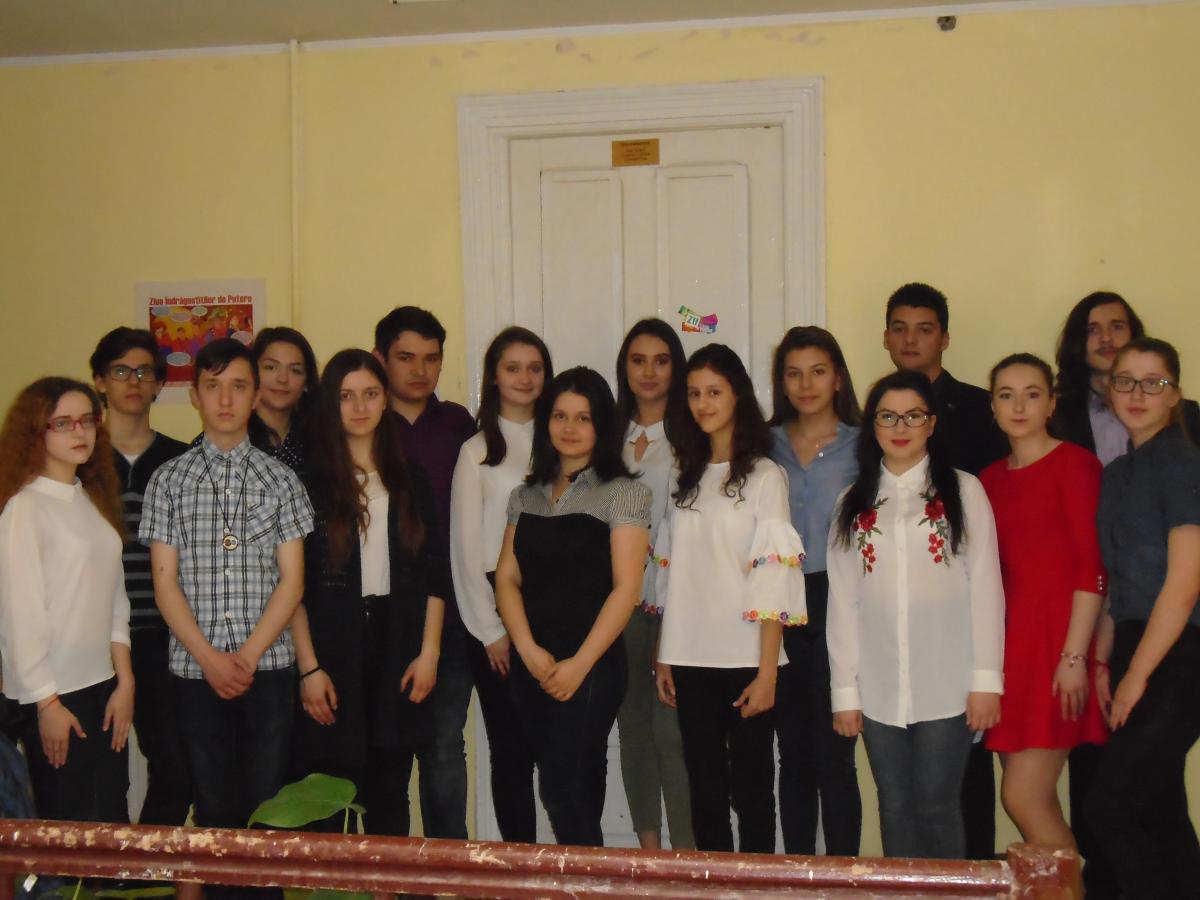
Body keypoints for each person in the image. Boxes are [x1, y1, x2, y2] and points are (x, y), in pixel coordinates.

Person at [141, 339, 313, 890]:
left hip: (269, 669)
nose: (225, 399)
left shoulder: (280, 480)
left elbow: (292, 581)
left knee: (266, 807)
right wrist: (211, 658)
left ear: (255, 395)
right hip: (195, 672)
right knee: (213, 806)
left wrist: (247, 656)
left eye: (238, 387)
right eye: (212, 387)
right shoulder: (168, 480)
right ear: (194, 395)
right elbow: (165, 584)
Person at [827, 370, 1004, 860]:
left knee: (937, 806)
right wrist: (844, 691)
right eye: (888, 416)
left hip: (948, 684)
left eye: (913, 416)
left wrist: (987, 680)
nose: (900, 427)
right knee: (895, 806)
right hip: (879, 686)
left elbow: (986, 589)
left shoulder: (964, 492)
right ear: (873, 425)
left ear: (932, 424)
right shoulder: (852, 502)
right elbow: (843, 602)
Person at [655, 344, 807, 854]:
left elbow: (773, 577)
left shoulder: (765, 476)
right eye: (694, 393)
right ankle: (713, 884)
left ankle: (758, 884)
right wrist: (665, 655)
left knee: (753, 790)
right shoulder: (684, 473)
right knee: (705, 789)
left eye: (714, 392)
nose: (703, 403)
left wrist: (767, 673)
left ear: (738, 395)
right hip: (689, 656)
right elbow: (672, 572)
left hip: (746, 658)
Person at [292, 350, 447, 836]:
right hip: (331, 648)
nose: (359, 407)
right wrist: (308, 668)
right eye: (346, 396)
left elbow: (434, 573)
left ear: (385, 401)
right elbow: (292, 586)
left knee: (389, 793)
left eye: (370, 394)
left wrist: (429, 654)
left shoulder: (410, 478)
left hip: (397, 644)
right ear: (330, 404)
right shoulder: (308, 481)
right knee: (329, 794)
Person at [495, 366, 651, 846]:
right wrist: (527, 650)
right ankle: (590, 875)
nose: (569, 428)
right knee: (577, 786)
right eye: (560, 416)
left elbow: (626, 589)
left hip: (592, 665)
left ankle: (586, 878)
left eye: (584, 418)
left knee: (562, 789)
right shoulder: (525, 495)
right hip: (535, 662)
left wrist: (579, 665)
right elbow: (507, 577)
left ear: (603, 426)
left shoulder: (624, 493)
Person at [882, 282, 1007, 858]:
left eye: (924, 328)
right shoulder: (876, 416)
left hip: (967, 608)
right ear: (886, 338)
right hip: (895, 626)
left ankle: (971, 880)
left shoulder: (980, 410)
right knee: (901, 798)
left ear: (945, 338)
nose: (911, 340)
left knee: (962, 783)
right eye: (900, 328)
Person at [1085, 338, 1200, 900]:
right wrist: (1104, 659)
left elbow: (1184, 582)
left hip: (1182, 651)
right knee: (1159, 808)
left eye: (1153, 383)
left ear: (1174, 394)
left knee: (1111, 807)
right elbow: (1119, 579)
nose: (1137, 394)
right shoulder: (1117, 473)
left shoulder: (1184, 462)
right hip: (1135, 643)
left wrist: (1137, 676)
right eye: (1125, 381)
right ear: (1109, 390)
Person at [979, 353, 1107, 849]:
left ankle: (1070, 885)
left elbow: (1092, 569)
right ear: (992, 407)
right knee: (1038, 800)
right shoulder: (989, 479)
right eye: (1006, 395)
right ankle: (1066, 884)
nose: (1019, 407)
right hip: (1009, 649)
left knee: (1023, 797)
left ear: (1051, 404)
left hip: (1057, 645)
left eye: (1031, 394)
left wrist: (1075, 657)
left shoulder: (1075, 465)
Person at [0, 378, 133, 823]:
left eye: (87, 421)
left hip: (104, 689)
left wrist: (125, 682)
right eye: (63, 423)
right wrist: (47, 704)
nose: (80, 432)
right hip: (55, 696)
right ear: (35, 431)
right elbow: (19, 616)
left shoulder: (91, 500)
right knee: (67, 830)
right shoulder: (24, 507)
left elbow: (116, 601)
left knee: (109, 823)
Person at [373, 306, 475, 839]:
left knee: (443, 746)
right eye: (406, 358)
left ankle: (449, 868)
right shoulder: (362, 422)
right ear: (380, 359)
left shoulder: (459, 425)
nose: (420, 370)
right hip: (380, 619)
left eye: (431, 358)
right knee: (383, 755)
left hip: (451, 614)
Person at [449, 326, 552, 843]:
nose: (525, 378)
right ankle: (519, 867)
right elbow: (465, 550)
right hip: (492, 607)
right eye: (513, 368)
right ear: (493, 376)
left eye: (534, 368)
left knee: (557, 749)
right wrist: (491, 630)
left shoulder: (562, 438)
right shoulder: (476, 451)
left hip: (553, 603)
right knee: (511, 752)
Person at [89, 327, 192, 826]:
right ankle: (105, 869)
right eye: (120, 370)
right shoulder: (77, 459)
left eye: (144, 371)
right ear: (99, 381)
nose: (133, 381)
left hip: (163, 637)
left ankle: (145, 866)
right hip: (91, 640)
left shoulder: (182, 461)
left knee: (177, 767)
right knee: (101, 776)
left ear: (159, 384)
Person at [767, 325, 863, 856]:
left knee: (836, 752)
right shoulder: (764, 444)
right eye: (794, 373)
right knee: (793, 754)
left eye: (818, 372)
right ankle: (798, 874)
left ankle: (845, 877)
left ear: (837, 378)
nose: (806, 385)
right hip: (778, 600)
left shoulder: (863, 444)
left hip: (839, 598)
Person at [612, 319, 694, 851]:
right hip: (617, 607)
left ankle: (685, 858)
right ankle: (649, 854)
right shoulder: (606, 434)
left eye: (661, 360)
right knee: (634, 729)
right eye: (638, 360)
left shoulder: (691, 436)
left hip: (674, 606)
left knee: (672, 734)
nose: (649, 372)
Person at [1053, 290, 1200, 462]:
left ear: (1133, 333)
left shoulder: (1186, 414)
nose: (1106, 338)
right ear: (1077, 340)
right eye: (1092, 329)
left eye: (1117, 327)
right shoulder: (1056, 417)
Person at [249, 327, 319, 472]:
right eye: (270, 367)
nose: (282, 379)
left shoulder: (321, 440)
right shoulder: (232, 435)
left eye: (295, 370)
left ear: (307, 382)